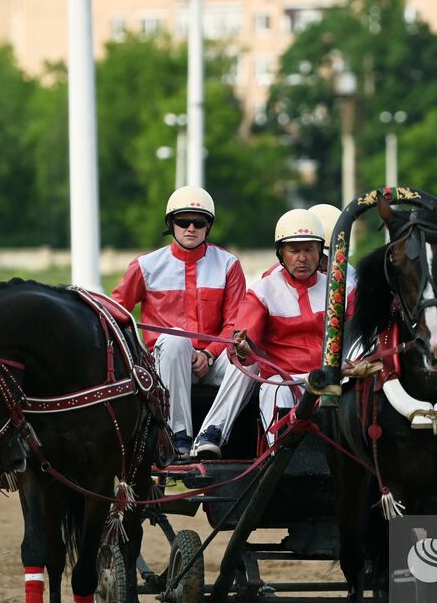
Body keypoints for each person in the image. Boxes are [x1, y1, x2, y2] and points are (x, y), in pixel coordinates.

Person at [111, 185, 246, 457]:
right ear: (171, 224)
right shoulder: (145, 265)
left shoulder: (229, 264)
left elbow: (236, 322)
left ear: (208, 226)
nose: (191, 228)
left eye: (199, 222)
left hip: (212, 359)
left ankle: (211, 433)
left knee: (250, 362)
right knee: (175, 339)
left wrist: (210, 353)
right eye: (183, 221)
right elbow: (115, 312)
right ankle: (177, 436)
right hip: (165, 362)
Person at [193, 209, 327, 459]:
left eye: (309, 249)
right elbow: (243, 337)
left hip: (330, 379)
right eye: (294, 251)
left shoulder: (341, 291)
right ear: (281, 254)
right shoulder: (263, 290)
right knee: (276, 388)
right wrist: (243, 348)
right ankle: (280, 458)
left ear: (320, 252)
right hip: (283, 381)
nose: (302, 258)